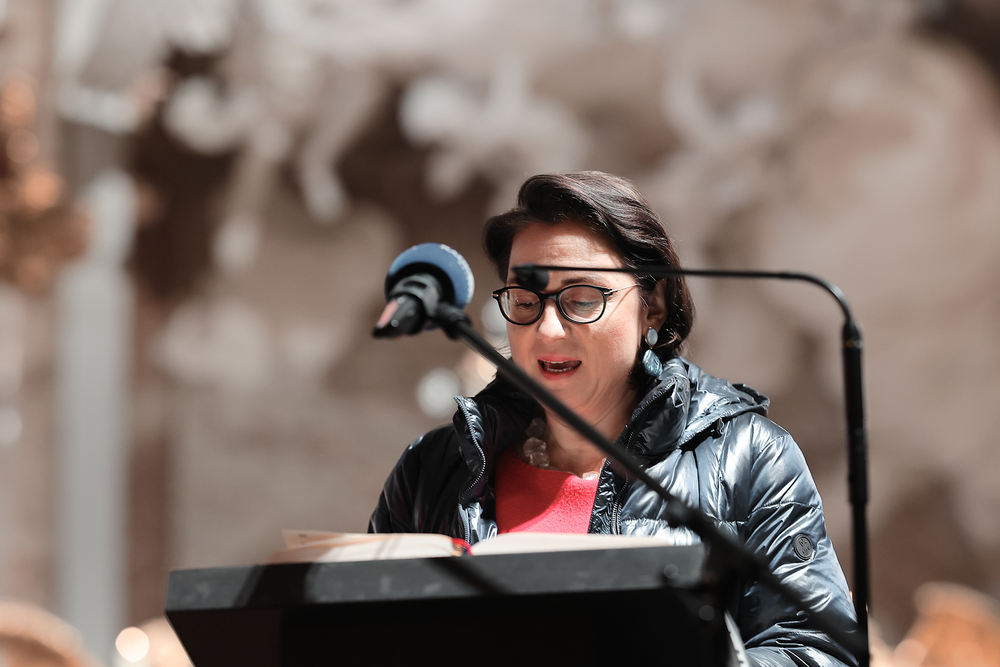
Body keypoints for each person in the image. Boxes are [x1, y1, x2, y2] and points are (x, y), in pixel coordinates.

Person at [369, 171, 858, 666]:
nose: (547, 329)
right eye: (525, 301)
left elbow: (822, 651)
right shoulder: (433, 469)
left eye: (581, 299)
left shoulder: (748, 456)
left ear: (654, 308)